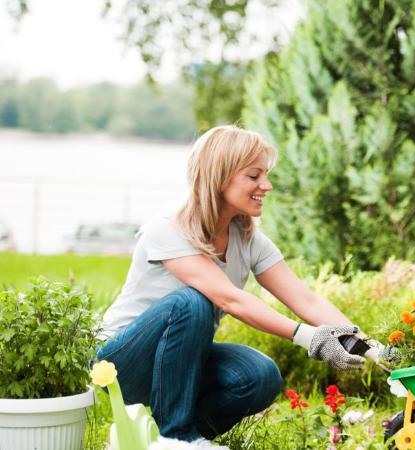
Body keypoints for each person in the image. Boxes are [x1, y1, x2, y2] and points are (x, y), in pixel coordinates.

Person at [96, 125, 388, 448]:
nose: (267, 185)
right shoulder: (168, 228)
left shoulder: (247, 238)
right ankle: (177, 439)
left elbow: (305, 299)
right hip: (120, 363)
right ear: (220, 177)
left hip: (180, 366)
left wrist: (369, 345)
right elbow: (229, 298)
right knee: (192, 302)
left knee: (260, 375)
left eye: (266, 174)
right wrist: (307, 336)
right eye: (254, 176)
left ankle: (160, 438)